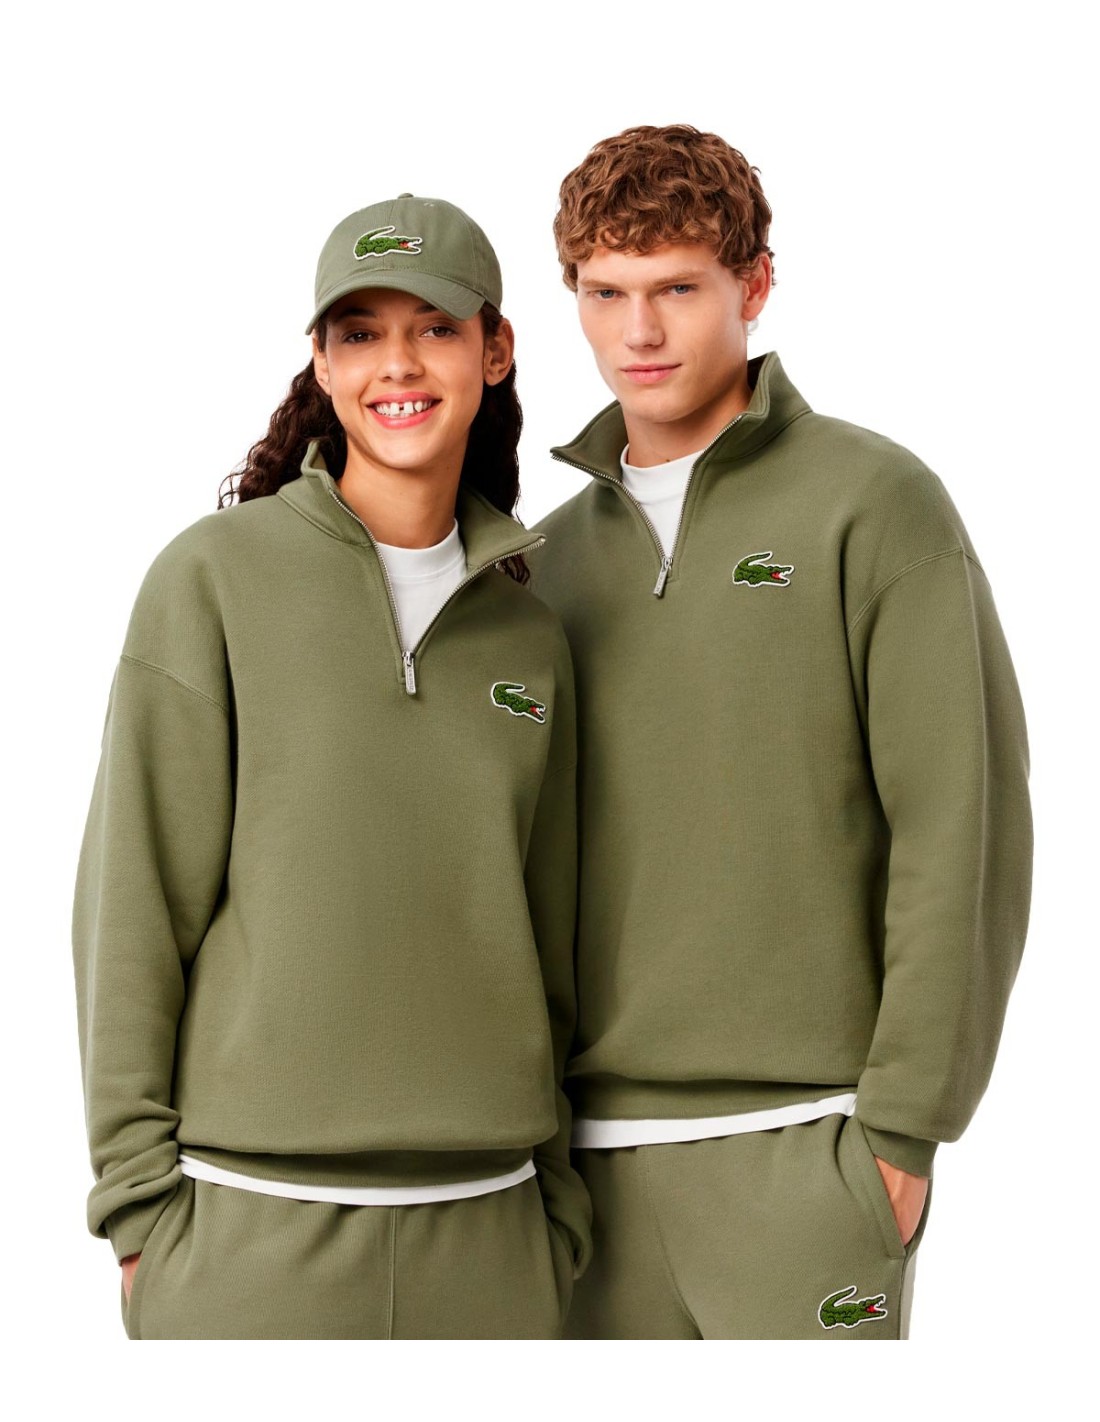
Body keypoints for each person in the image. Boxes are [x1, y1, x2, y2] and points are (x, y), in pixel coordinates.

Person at [527, 125, 1033, 1340]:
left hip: (808, 1148)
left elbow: (958, 822)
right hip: (578, 1173)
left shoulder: (873, 503)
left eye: (675, 290)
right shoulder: (540, 564)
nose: (638, 332)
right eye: (605, 293)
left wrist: (902, 1126)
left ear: (752, 285)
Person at [71, 193, 590, 1339]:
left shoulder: (528, 639)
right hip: (250, 1235)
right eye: (359, 333)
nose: (396, 364)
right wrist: (140, 1209)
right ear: (320, 360)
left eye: (435, 327)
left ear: (494, 350)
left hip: (492, 1239)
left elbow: (552, 939)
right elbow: (133, 907)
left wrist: (554, 1210)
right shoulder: (213, 579)